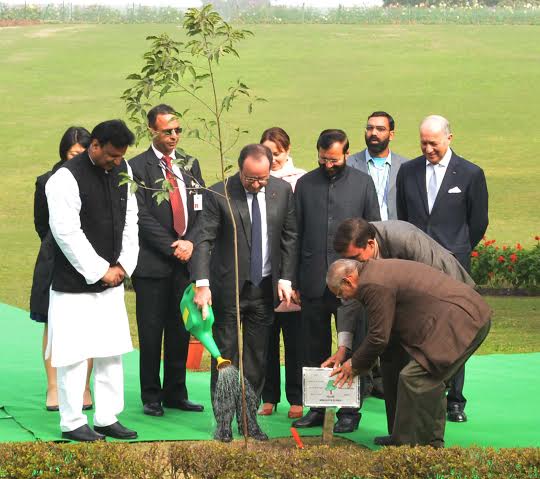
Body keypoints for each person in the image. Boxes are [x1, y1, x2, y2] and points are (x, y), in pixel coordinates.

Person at [324, 217, 476, 433]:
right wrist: (343, 348)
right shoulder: (356, 263)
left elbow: (431, 286)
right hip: (400, 304)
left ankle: (427, 436)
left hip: (447, 302)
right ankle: (398, 437)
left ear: (370, 244)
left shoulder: (406, 239)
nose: (354, 264)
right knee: (390, 358)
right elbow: (349, 301)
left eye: (356, 258)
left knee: (422, 373)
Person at [191, 143, 298, 442]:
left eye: (262, 178)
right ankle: (223, 422)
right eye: (251, 179)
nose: (257, 184)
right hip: (228, 291)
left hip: (263, 290)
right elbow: (204, 240)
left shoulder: (281, 191)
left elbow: (290, 236)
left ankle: (248, 420)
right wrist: (202, 284)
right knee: (225, 357)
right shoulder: (219, 193)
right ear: (240, 170)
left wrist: (286, 278)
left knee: (256, 358)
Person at [327, 259, 491, 448]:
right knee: (424, 379)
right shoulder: (373, 274)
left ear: (348, 281)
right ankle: (420, 443)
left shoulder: (372, 283)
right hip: (457, 317)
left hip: (462, 321)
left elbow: (378, 337)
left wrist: (354, 365)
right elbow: (383, 332)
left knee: (415, 378)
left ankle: (415, 449)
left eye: (341, 294)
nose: (344, 299)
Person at [45, 119, 139, 442]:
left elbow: (131, 221)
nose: (117, 161)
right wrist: (100, 269)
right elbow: (66, 232)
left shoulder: (122, 171)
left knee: (110, 350)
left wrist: (124, 265)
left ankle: (106, 416)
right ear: (94, 145)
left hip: (113, 281)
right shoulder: (65, 179)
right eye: (112, 155)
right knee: (74, 353)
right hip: (74, 284)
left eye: (121, 156)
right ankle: (71, 421)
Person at [396, 114, 489, 422]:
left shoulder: (471, 174)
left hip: (455, 267)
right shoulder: (407, 171)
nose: (428, 149)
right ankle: (422, 395)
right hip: (417, 268)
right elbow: (404, 217)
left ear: (449, 138)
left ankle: (455, 400)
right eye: (423, 143)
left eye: (433, 143)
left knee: (455, 330)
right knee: (418, 328)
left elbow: (478, 223)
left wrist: (456, 252)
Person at [292, 129, 380, 433]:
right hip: (314, 281)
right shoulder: (304, 184)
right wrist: (292, 279)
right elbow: (295, 234)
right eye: (323, 158)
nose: (328, 164)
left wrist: (369, 277)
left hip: (353, 285)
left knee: (353, 346)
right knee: (312, 346)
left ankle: (349, 412)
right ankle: (316, 406)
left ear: (346, 154)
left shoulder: (362, 183)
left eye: (334, 159)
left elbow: (373, 234)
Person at [129, 104, 205, 418]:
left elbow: (201, 209)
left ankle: (176, 392)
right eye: (167, 131)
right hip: (152, 264)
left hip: (184, 264)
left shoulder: (189, 163)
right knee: (150, 331)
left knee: (179, 329)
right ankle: (151, 395)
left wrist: (191, 242)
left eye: (177, 130)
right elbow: (140, 216)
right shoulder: (136, 167)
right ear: (152, 130)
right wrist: (172, 245)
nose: (174, 137)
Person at [30, 126, 93, 412]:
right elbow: (41, 225)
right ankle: (54, 387)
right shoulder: (47, 181)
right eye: (73, 154)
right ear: (63, 152)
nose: (77, 159)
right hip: (54, 258)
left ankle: (83, 387)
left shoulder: (96, 180)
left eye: (82, 154)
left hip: (89, 259)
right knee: (52, 323)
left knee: (88, 325)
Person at [258, 127, 306, 420]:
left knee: (295, 338)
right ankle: (269, 396)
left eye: (277, 154)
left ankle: (297, 397)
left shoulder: (301, 180)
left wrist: (295, 278)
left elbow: (297, 233)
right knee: (265, 338)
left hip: (292, 271)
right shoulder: (255, 179)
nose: (273, 160)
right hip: (263, 273)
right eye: (268, 153)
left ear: (288, 151)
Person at [347, 111, 408, 220]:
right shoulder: (349, 164)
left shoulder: (406, 166)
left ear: (391, 135)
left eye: (380, 129)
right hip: (362, 233)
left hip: (395, 233)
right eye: (370, 128)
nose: (374, 133)